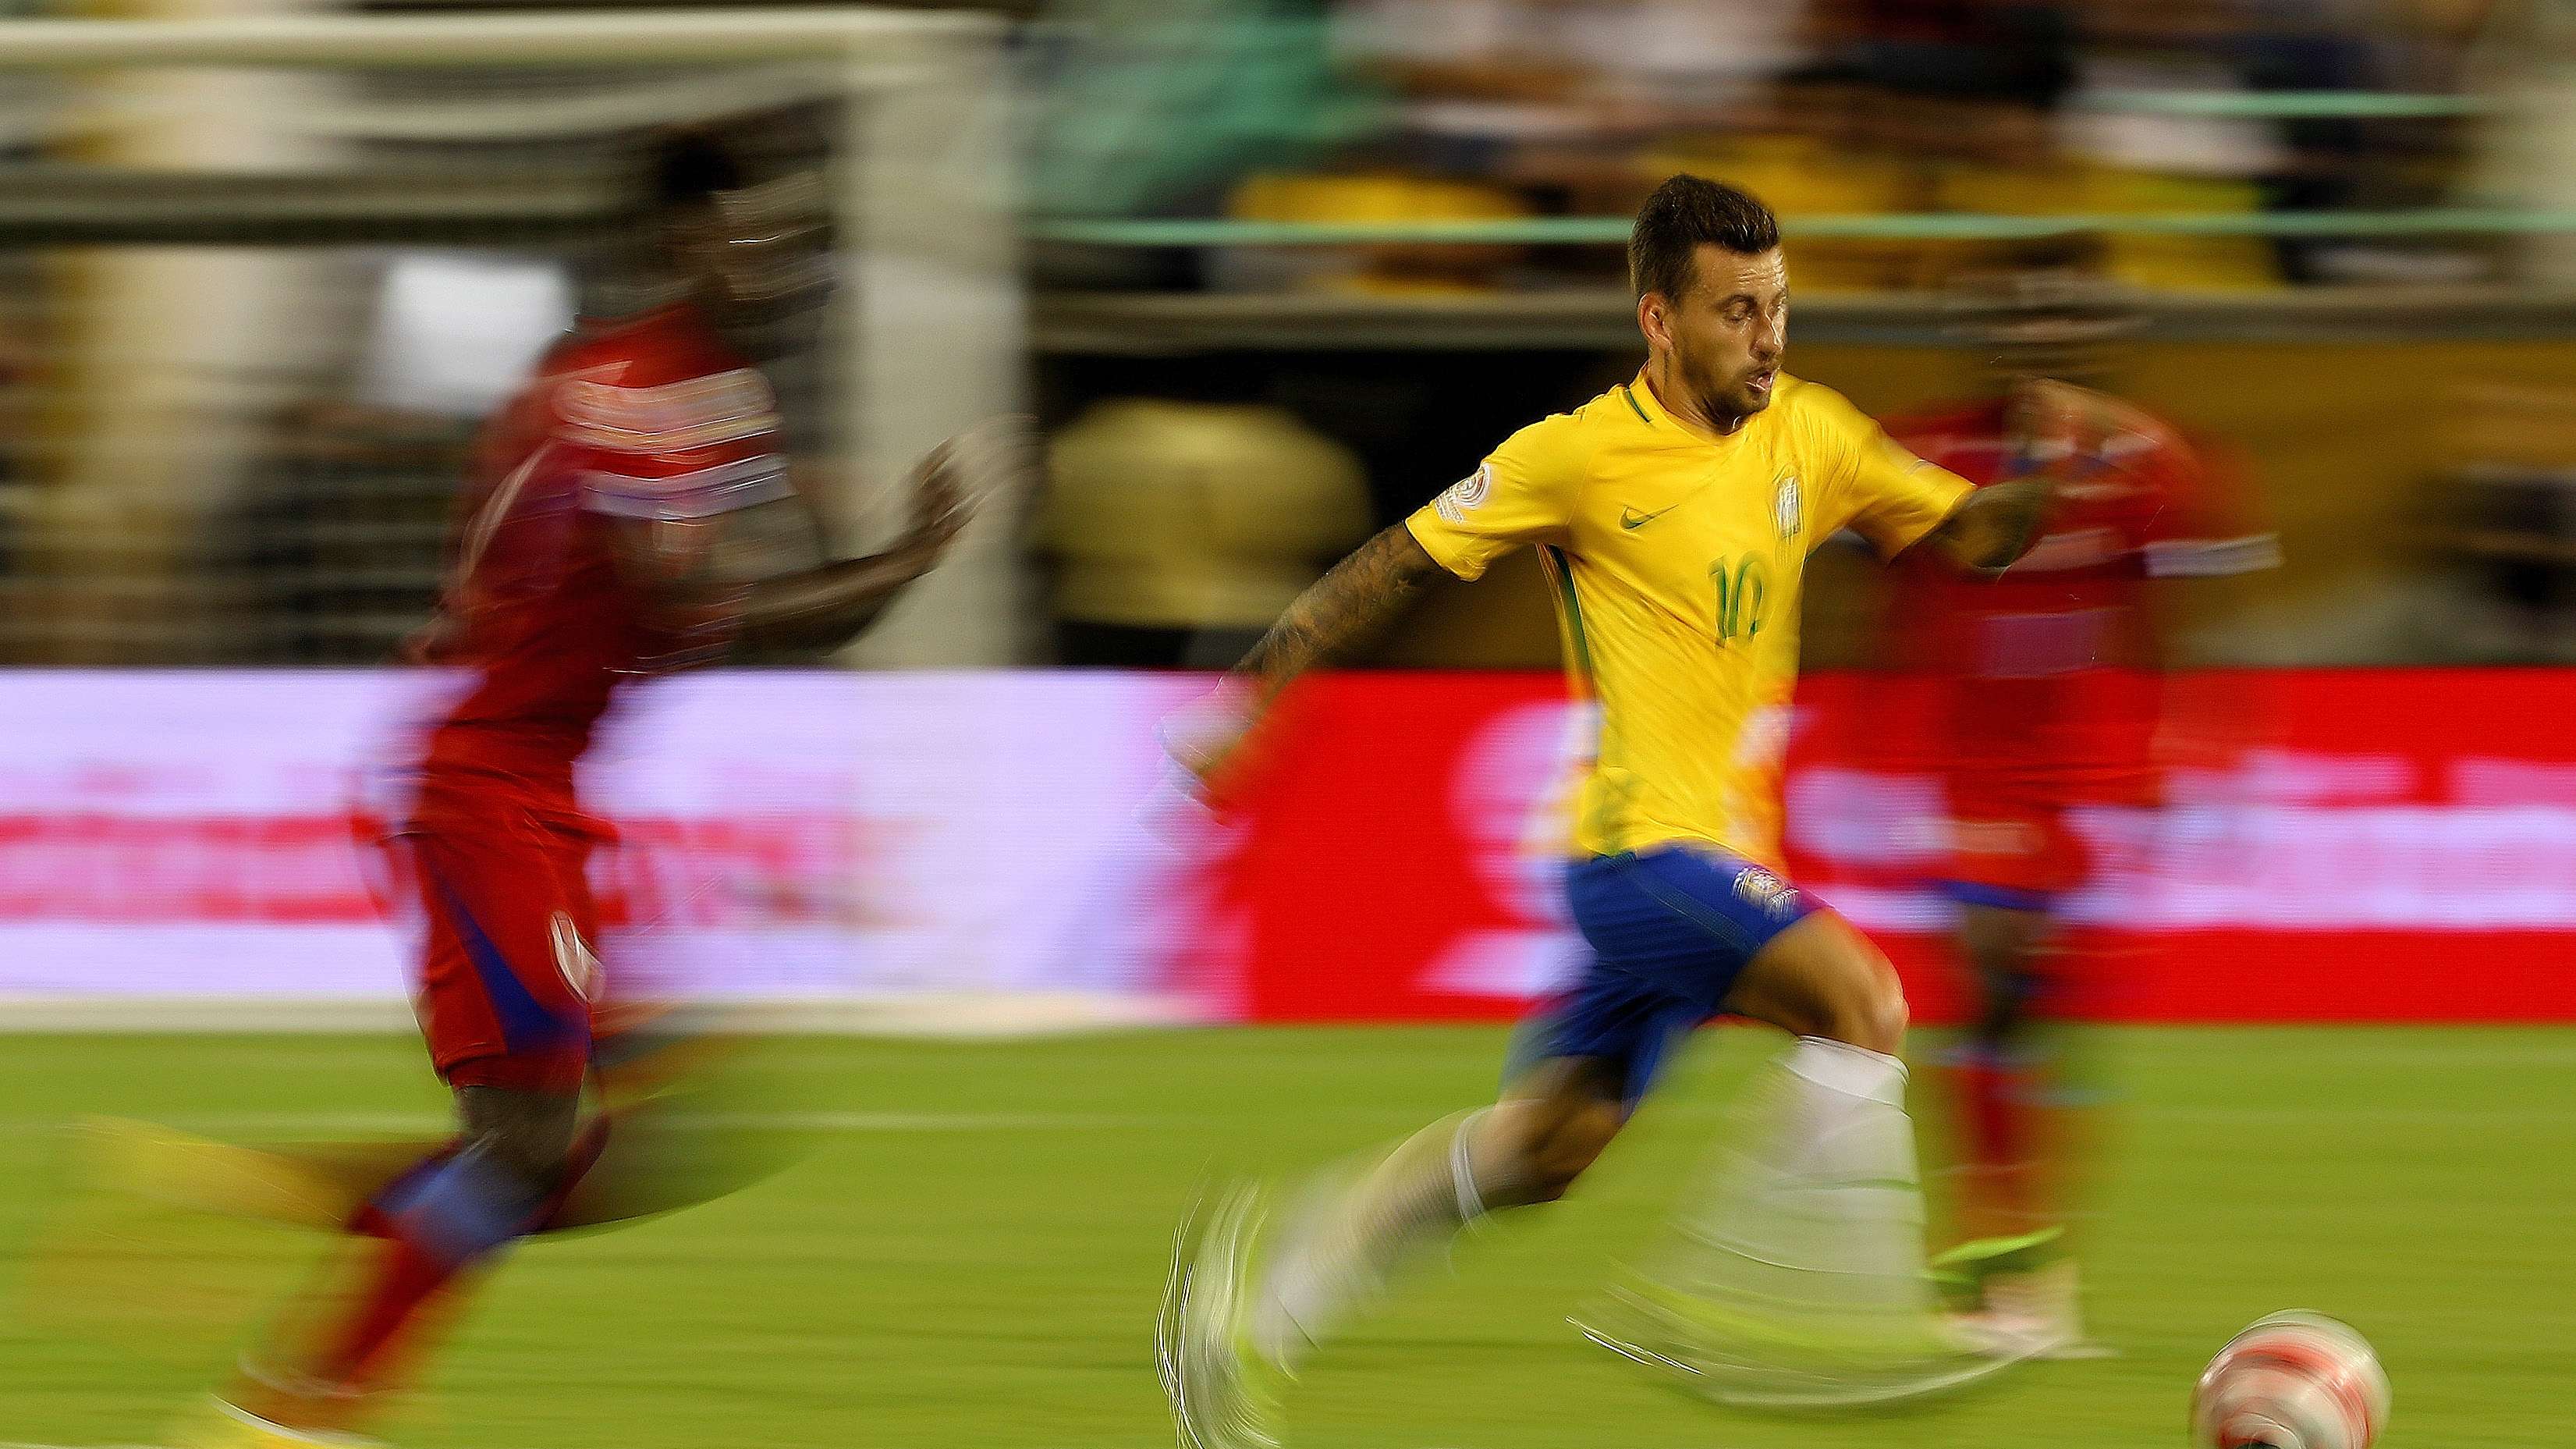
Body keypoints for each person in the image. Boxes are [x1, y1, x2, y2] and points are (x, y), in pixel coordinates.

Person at [1157, 173, 2119, 1449]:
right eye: (1736, 311)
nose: (1767, 337)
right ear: (1658, 319)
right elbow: (1394, 559)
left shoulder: (1812, 434)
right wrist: (1249, 697)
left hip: (1711, 865)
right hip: (1633, 852)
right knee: (1863, 1002)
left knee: (1538, 1156)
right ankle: (1734, 1300)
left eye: (1777, 307)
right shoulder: (1574, 454)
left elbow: (1976, 535)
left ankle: (1253, 1298)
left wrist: (2042, 464)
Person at [176, 128, 978, 1446]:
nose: (788, 266)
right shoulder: (619, 385)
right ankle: (288, 1416)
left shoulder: (724, 399)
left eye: (799, 241)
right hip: (474, 773)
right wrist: (891, 560)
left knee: (656, 1135)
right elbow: (689, 595)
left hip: (545, 785)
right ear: (680, 245)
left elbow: (778, 613)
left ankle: (304, 1200)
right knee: (529, 1145)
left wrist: (902, 561)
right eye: (755, 238)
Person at [1875, 244, 2276, 1353]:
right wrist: (1854, 726)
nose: (2036, 343)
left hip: (2084, 762)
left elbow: (2192, 614)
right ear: (1984, 335)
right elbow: (1874, 594)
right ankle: (2003, 1263)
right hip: (1966, 763)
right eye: (2015, 321)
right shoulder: (1919, 449)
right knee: (1994, 991)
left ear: (2096, 336)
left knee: (2036, 1022)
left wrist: (2191, 738)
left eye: (2059, 323)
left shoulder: (2151, 462)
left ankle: (2017, 1260)